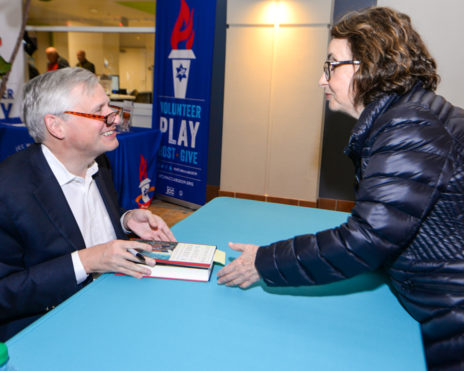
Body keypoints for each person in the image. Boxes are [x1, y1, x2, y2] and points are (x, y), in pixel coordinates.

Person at [217, 7, 464, 370]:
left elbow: (366, 239)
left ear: (368, 67)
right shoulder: (409, 114)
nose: (322, 79)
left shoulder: (410, 126)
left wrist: (264, 262)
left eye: (332, 65)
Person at [0, 67, 176, 341]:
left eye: (110, 106)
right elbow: (4, 293)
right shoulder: (8, 189)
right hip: (52, 330)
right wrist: (87, 260)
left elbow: (78, 219)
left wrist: (125, 219)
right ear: (56, 126)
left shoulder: (98, 161)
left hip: (117, 306)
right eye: (99, 111)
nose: (115, 118)